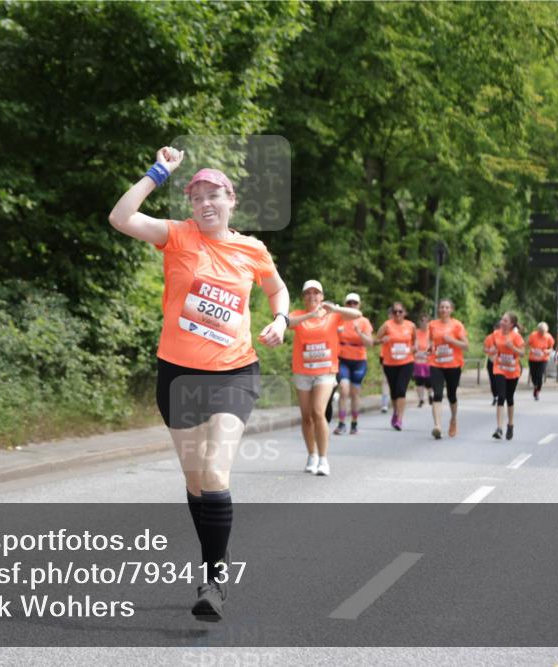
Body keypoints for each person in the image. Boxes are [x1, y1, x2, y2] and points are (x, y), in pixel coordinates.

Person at [108, 147, 289, 622]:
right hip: (178, 374)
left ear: (231, 200)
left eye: (215, 196)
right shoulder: (176, 236)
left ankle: (214, 580)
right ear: (190, 205)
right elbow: (121, 216)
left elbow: (275, 288)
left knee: (214, 474)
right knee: (194, 481)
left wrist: (282, 318)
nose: (206, 203)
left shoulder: (252, 249)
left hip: (234, 372)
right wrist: (158, 172)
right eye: (197, 197)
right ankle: (216, 558)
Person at [290, 281, 362, 475]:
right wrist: (310, 315)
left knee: (318, 411)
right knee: (306, 417)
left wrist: (335, 308)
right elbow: (287, 323)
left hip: (325, 371)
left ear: (322, 296)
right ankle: (311, 455)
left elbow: (357, 315)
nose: (312, 296)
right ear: (303, 297)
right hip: (302, 371)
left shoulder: (332, 316)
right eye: (308, 293)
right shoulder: (298, 315)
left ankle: (323, 459)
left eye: (316, 293)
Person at [333, 292, 373, 436]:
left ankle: (354, 423)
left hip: (358, 361)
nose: (352, 305)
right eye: (349, 303)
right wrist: (336, 332)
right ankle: (341, 423)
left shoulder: (364, 321)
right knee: (343, 390)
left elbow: (370, 343)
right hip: (342, 358)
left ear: (359, 305)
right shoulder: (340, 319)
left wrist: (359, 333)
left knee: (355, 393)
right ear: (345, 304)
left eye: (354, 303)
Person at [428, 299, 469, 439]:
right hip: (436, 363)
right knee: (437, 394)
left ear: (451, 309)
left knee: (452, 395)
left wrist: (452, 341)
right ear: (439, 309)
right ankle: (438, 426)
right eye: (441, 307)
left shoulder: (457, 325)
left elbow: (465, 345)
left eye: (447, 307)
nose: (444, 310)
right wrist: (429, 348)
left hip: (453, 364)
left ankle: (453, 419)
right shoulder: (432, 325)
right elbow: (429, 341)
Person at [375, 302, 417, 431]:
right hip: (390, 363)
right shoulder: (387, 325)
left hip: (407, 362)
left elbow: (414, 341)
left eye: (400, 311)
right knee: (393, 392)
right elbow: (375, 340)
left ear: (405, 313)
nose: (397, 314)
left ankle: (399, 419)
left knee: (401, 390)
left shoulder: (411, 326)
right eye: (395, 312)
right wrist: (382, 340)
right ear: (392, 313)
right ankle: (395, 412)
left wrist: (414, 348)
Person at [486, 312, 524, 439]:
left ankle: (510, 424)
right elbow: (489, 348)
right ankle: (499, 428)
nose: (502, 322)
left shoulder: (516, 337)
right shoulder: (495, 334)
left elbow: (523, 353)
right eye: (502, 320)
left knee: (509, 397)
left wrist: (513, 347)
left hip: (513, 371)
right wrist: (491, 351)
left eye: (505, 321)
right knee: (501, 396)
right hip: (499, 369)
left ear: (511, 324)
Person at [527, 322, 554, 401]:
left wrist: (547, 351)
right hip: (533, 358)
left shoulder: (548, 337)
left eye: (544, 332)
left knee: (539, 375)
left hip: (543, 359)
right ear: (538, 330)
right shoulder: (533, 335)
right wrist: (531, 349)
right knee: (533, 374)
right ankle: (535, 385)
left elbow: (551, 348)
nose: (542, 333)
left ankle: (537, 390)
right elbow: (528, 344)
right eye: (541, 331)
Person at [413, 314, 432, 408]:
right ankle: (421, 399)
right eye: (422, 321)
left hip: (428, 361)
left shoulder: (430, 333)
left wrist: (427, 352)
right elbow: (413, 343)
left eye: (426, 321)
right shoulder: (416, 332)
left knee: (429, 381)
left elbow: (432, 345)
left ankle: (430, 395)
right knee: (419, 381)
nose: (424, 323)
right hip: (418, 360)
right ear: (419, 322)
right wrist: (416, 351)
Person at [484, 321, 502, 406]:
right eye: (496, 329)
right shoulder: (489, 337)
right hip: (491, 361)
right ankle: (495, 396)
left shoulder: (504, 337)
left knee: (499, 380)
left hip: (501, 362)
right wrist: (489, 350)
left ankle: (500, 395)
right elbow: (485, 349)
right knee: (492, 380)